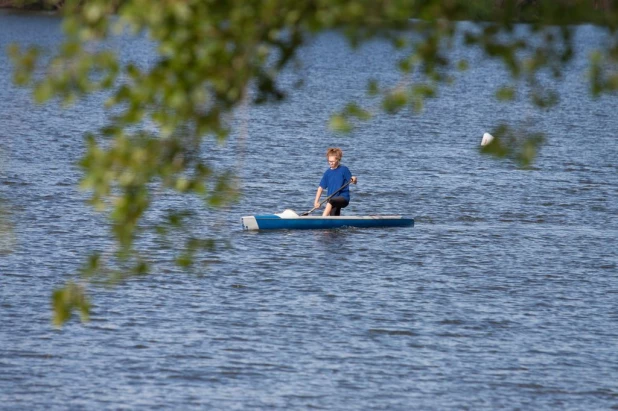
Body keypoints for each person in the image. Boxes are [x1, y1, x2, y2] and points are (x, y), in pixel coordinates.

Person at [313, 147, 357, 216]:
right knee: (334, 217)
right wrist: (316, 202)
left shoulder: (344, 170)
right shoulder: (327, 173)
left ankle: (322, 219)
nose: (331, 163)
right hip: (332, 201)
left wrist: (354, 179)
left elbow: (353, 181)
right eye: (329, 161)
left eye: (332, 161)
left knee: (331, 200)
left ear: (338, 160)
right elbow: (320, 188)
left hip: (343, 198)